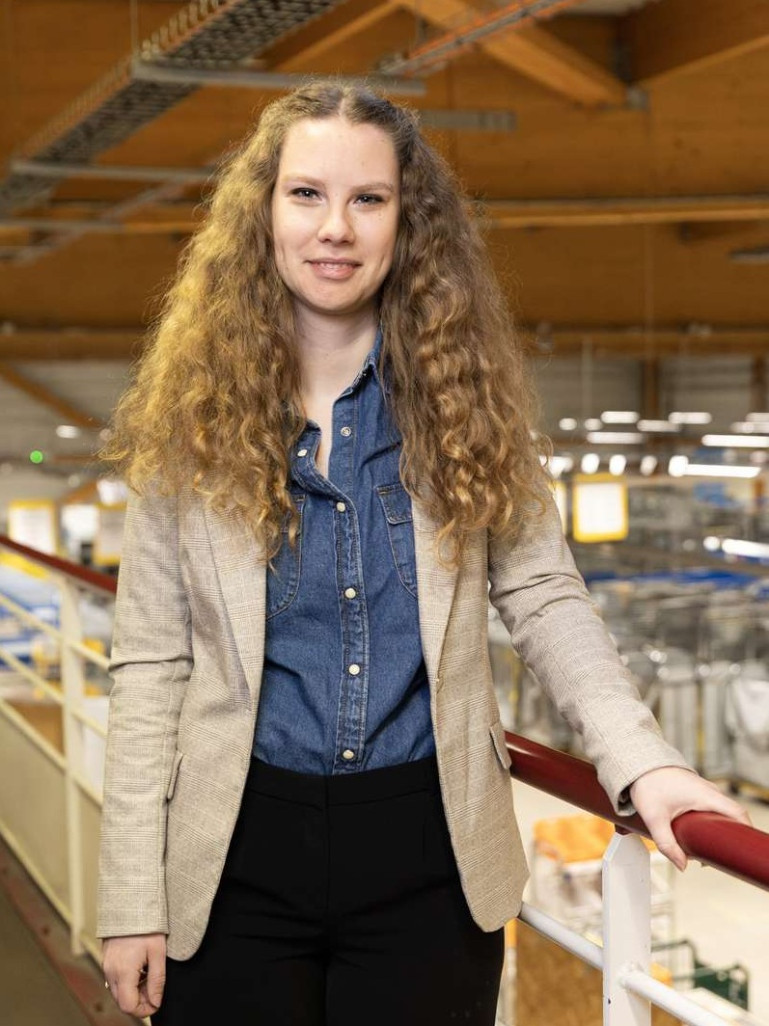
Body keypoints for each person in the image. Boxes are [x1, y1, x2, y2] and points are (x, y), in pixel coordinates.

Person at [97, 80, 749, 1025]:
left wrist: (640, 762)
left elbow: (543, 595)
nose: (336, 229)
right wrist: (130, 902)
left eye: (369, 199)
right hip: (232, 857)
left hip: (428, 862)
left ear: (408, 223)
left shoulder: (463, 403)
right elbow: (150, 662)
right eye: (306, 194)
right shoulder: (192, 422)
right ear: (264, 212)